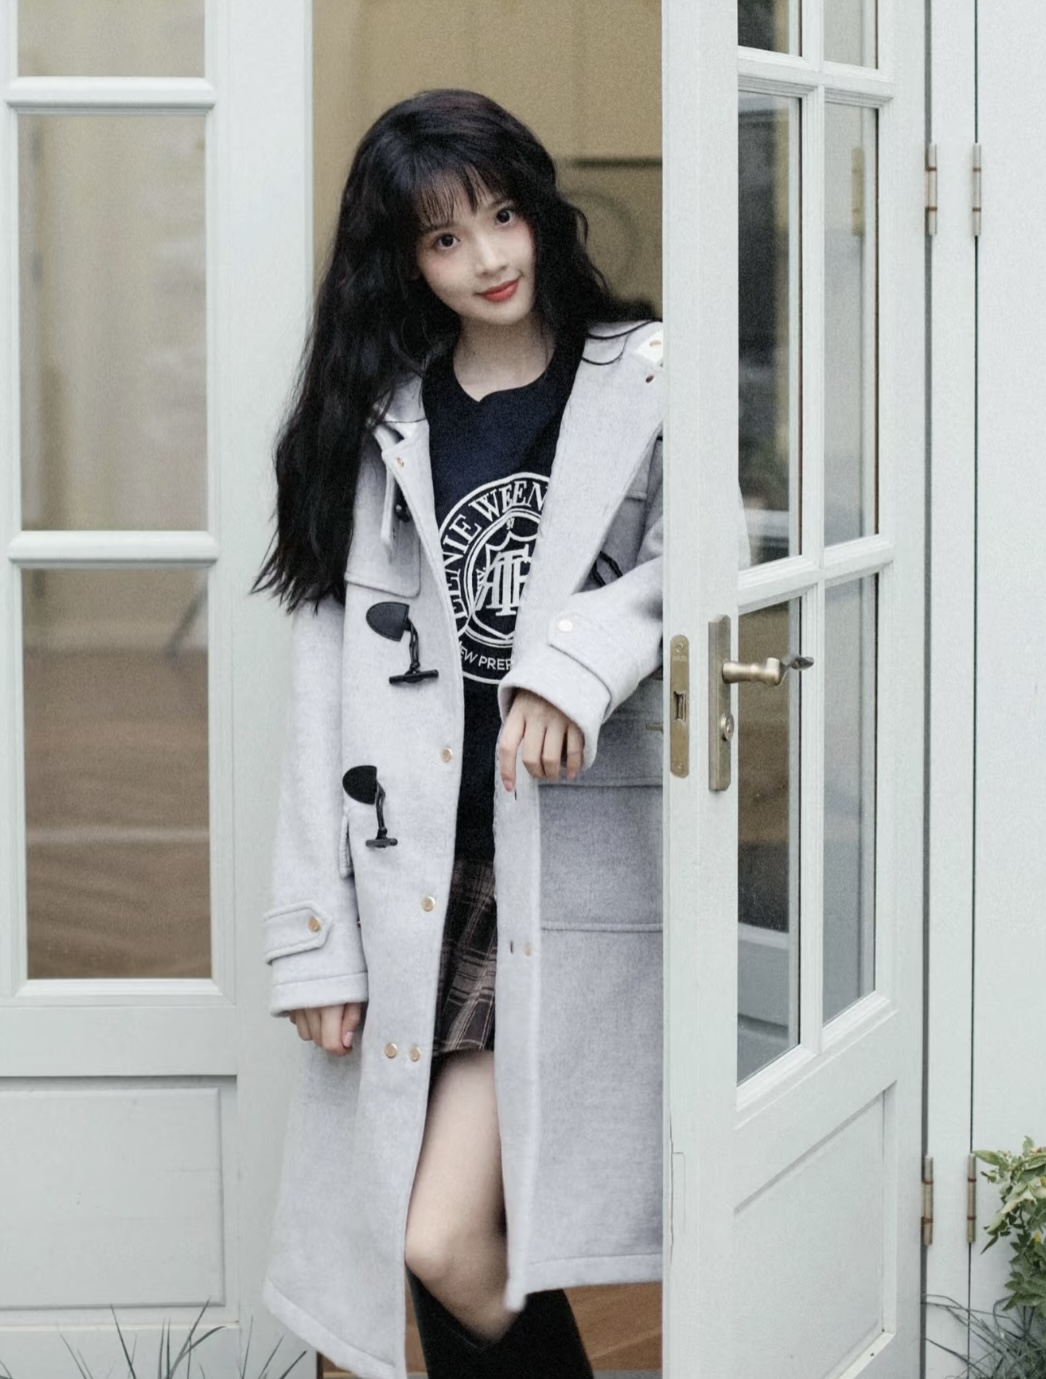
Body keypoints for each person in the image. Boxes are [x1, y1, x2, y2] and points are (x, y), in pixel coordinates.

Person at [255, 88, 665, 1379]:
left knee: (438, 1237)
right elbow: (321, 688)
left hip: (563, 868)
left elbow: (703, 566)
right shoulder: (381, 422)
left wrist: (574, 666)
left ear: (539, 209)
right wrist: (313, 939)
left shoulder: (646, 378)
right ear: (404, 262)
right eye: (444, 238)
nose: (486, 257)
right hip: (417, 873)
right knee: (429, 1230)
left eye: (501, 216)